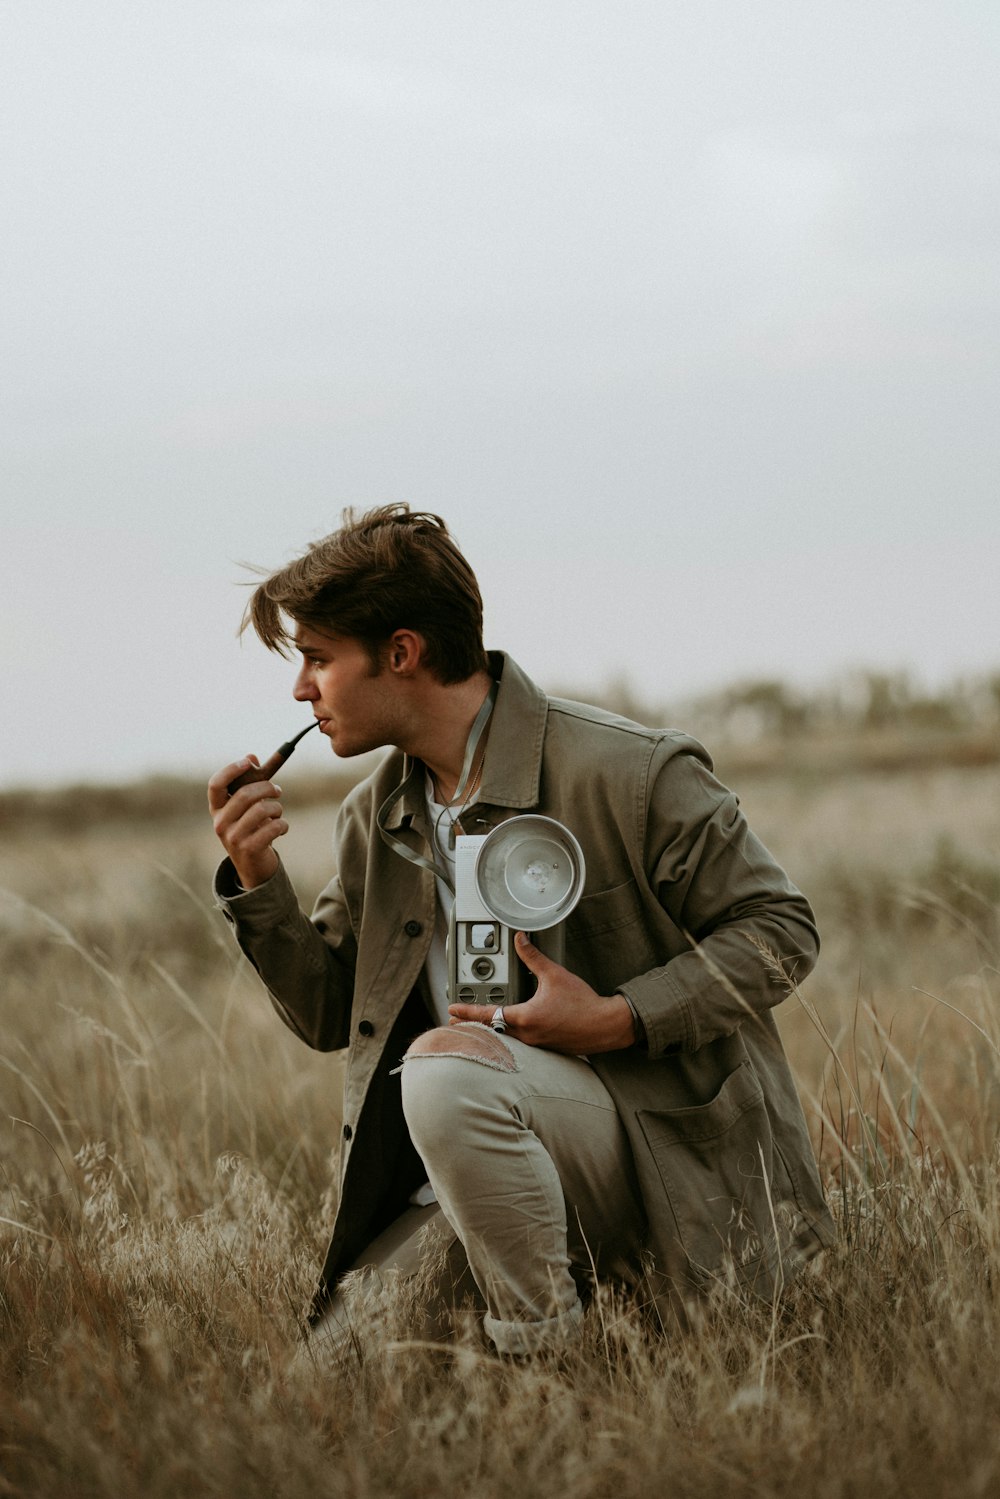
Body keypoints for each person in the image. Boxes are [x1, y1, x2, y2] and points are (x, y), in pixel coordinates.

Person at [207, 504, 834, 1358]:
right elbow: (329, 1017)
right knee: (328, 1376)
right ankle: (523, 1307)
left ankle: (546, 1364)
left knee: (439, 1076)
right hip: (484, 1167)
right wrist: (258, 883)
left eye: (317, 658)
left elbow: (780, 929)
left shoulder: (632, 768)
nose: (299, 689)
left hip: (661, 1161)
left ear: (401, 652)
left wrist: (619, 1017)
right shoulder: (374, 817)